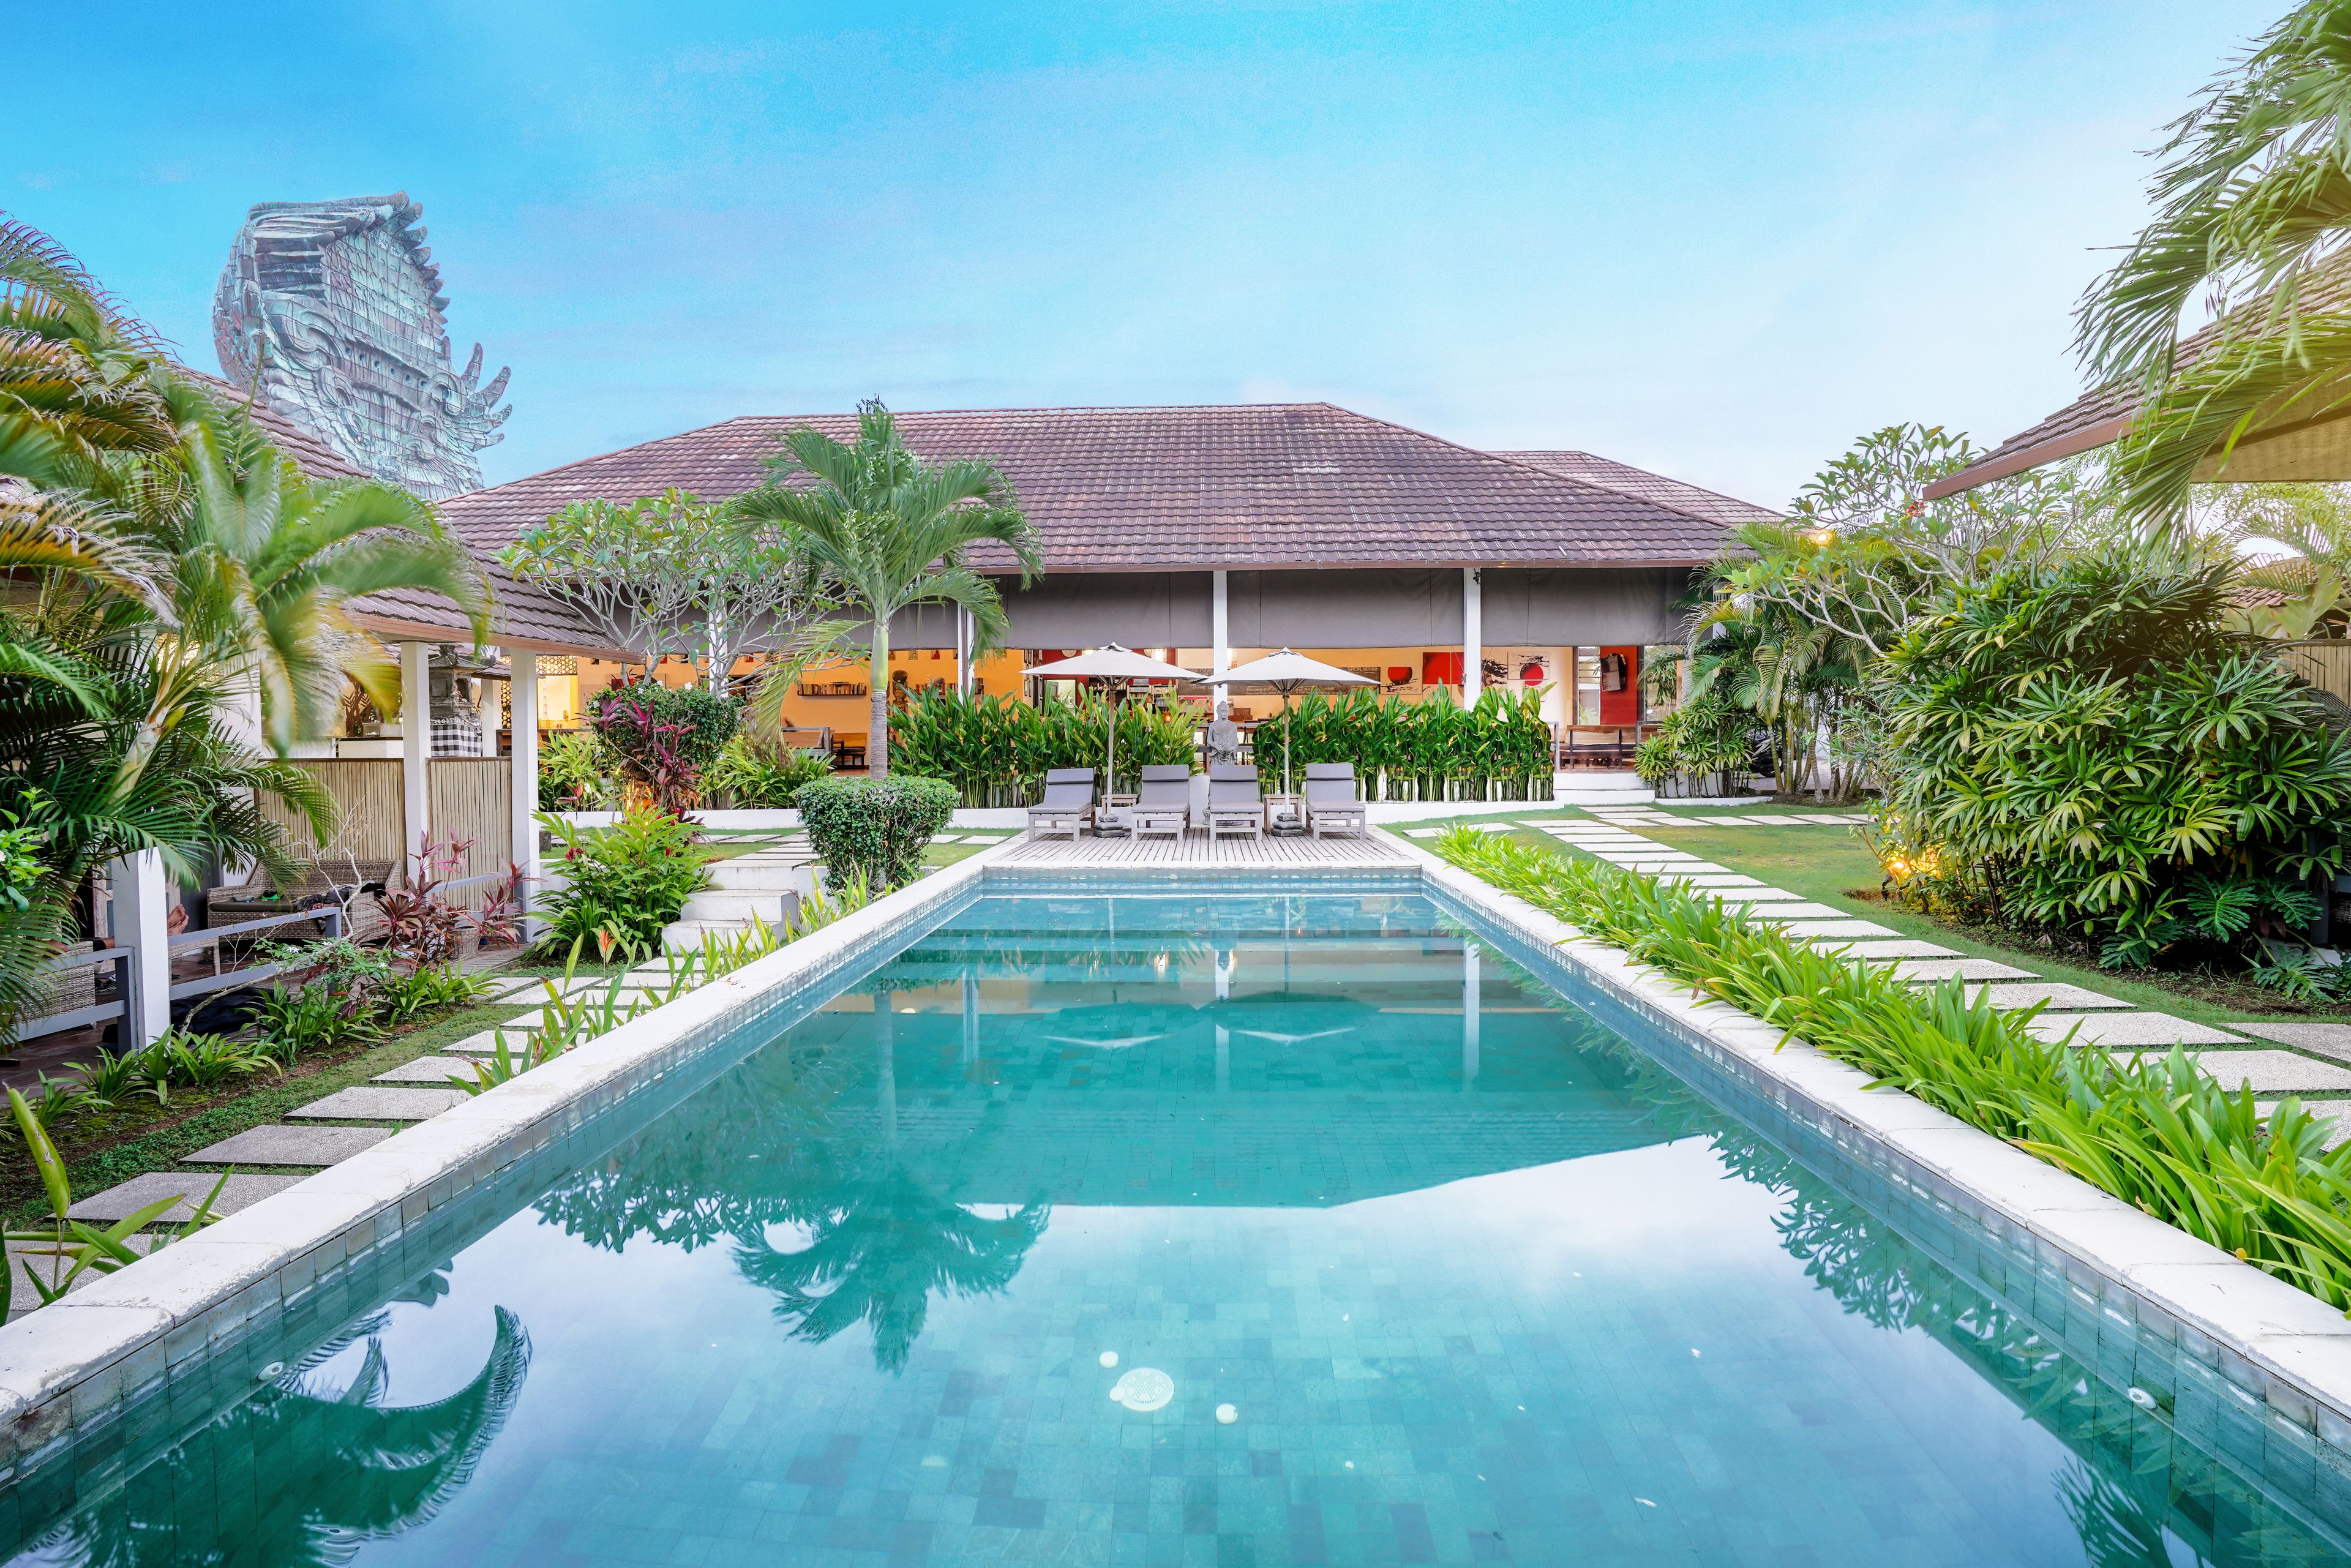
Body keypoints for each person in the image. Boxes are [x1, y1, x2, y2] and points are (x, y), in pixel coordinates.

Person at [1205, 697, 1243, 768]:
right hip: (1217, 753)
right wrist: (1217, 747)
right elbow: (1209, 740)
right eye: (1222, 711)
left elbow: (1236, 741)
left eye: (1226, 711)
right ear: (1217, 711)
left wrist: (1232, 748)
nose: (1224, 713)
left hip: (1229, 754)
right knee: (1217, 774)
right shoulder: (1213, 725)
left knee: (1229, 775)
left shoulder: (1232, 725)